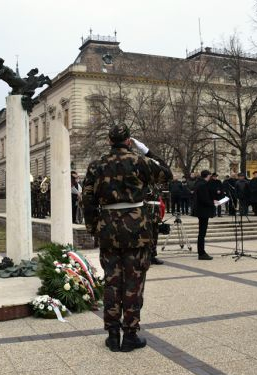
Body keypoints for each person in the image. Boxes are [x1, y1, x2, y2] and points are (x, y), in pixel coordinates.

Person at [82, 124, 171, 353]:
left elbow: (88, 200)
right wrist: (148, 151)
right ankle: (130, 335)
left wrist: (94, 228)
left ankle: (112, 335)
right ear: (129, 141)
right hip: (136, 229)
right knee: (134, 282)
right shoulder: (140, 161)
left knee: (112, 281)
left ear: (109, 141)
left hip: (108, 227)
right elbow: (167, 174)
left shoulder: (96, 165)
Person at [192, 170, 216, 260]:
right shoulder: (202, 185)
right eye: (210, 175)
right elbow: (204, 199)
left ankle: (201, 252)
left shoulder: (199, 183)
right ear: (208, 176)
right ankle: (201, 253)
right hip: (203, 211)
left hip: (201, 211)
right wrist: (213, 203)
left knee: (202, 233)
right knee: (202, 233)